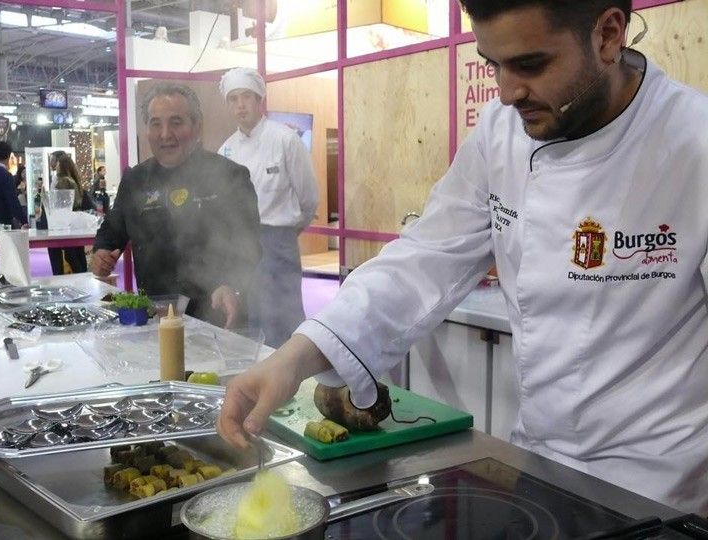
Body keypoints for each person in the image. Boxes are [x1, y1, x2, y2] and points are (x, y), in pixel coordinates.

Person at [218, 0, 708, 515]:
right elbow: (426, 256)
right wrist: (296, 356)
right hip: (542, 466)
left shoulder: (693, 141)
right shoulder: (501, 132)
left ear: (608, 35)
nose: (506, 92)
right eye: (493, 65)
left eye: (531, 64)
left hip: (661, 490)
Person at [91, 82, 261, 327]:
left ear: (197, 126)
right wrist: (101, 252)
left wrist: (231, 286)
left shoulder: (230, 176)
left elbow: (250, 245)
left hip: (217, 315)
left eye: (176, 122)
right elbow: (111, 231)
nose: (165, 134)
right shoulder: (135, 180)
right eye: (155, 123)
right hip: (155, 318)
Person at [218, 67, 319, 347]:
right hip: (240, 247)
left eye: (246, 96)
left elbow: (308, 198)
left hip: (279, 245)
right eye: (233, 98)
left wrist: (285, 234)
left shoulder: (285, 139)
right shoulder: (225, 151)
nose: (240, 105)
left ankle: (293, 384)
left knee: (284, 321)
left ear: (259, 99)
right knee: (250, 320)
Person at [50, 154, 95, 273]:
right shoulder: (75, 181)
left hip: (66, 224)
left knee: (70, 258)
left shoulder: (63, 181)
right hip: (77, 224)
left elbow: (61, 204)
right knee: (78, 255)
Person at [0, 142, 28, 271]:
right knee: (9, 257)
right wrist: (24, 220)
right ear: (9, 156)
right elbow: (12, 201)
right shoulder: (5, 175)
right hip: (2, 223)